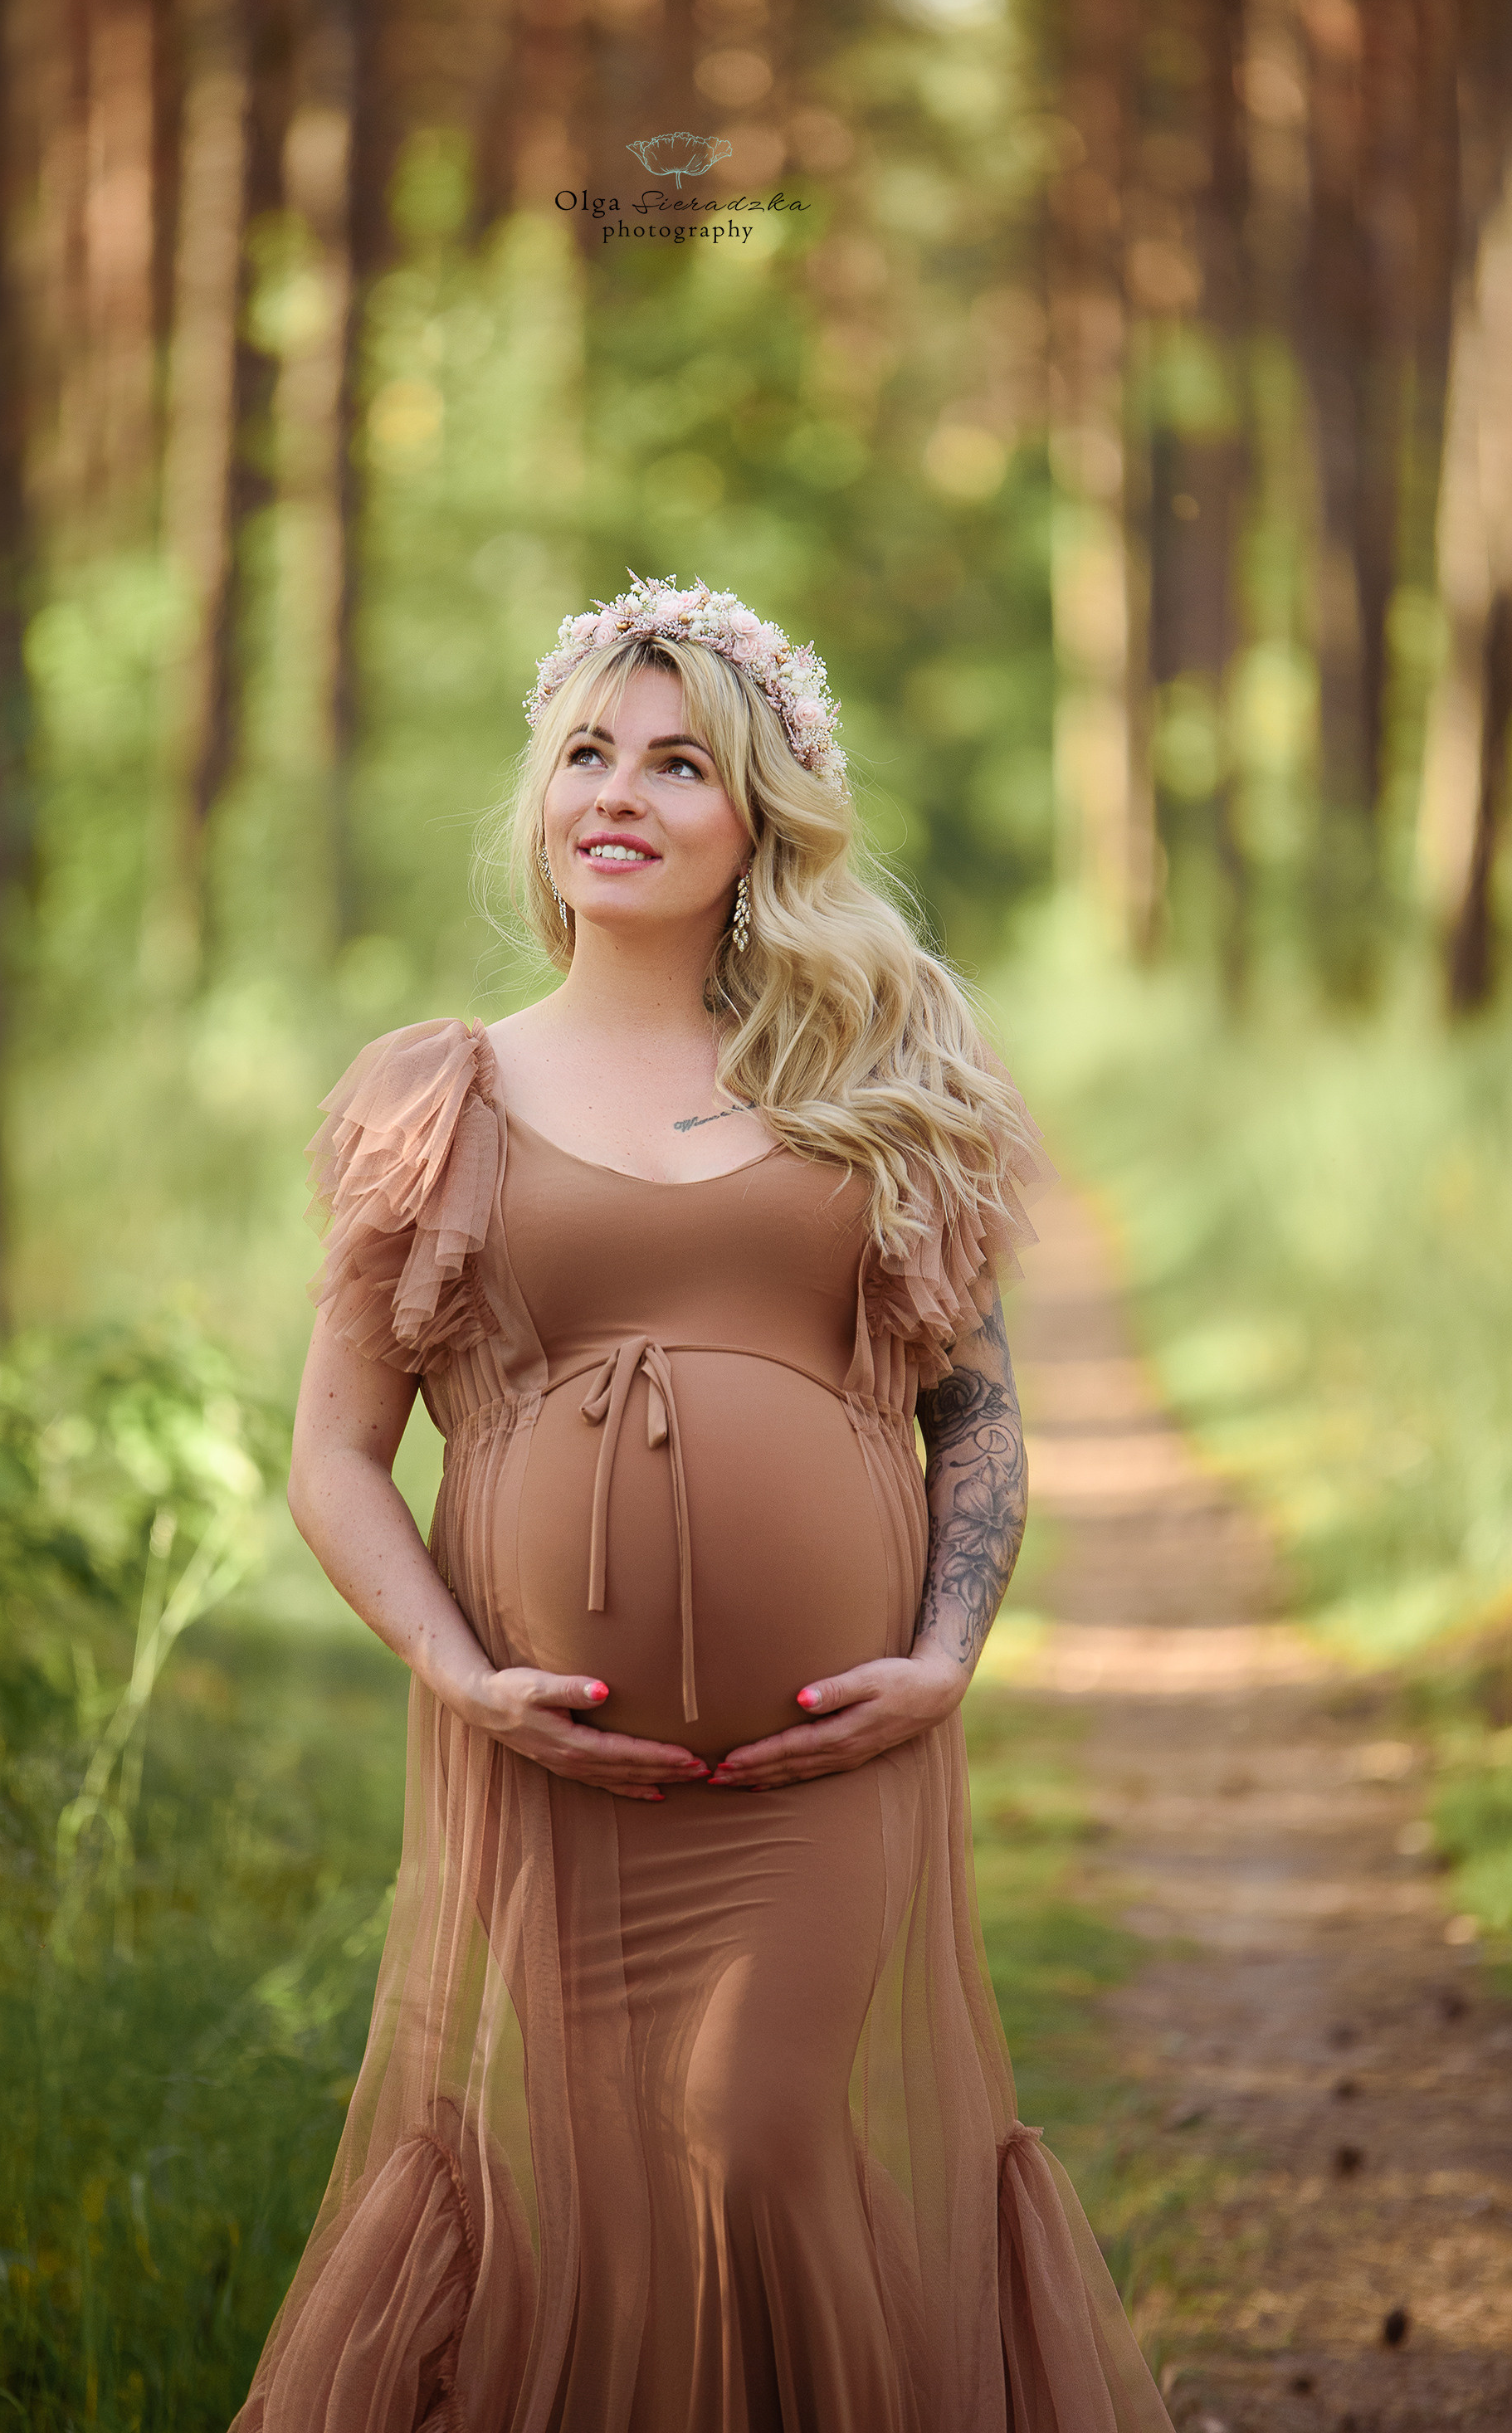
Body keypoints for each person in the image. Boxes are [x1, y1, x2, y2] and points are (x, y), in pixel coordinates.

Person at [232, 578, 1173, 2433]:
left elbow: (974, 1422)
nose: (619, 793)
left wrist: (946, 1656)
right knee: (584, 2205)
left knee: (746, 2146)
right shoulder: (452, 1094)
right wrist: (456, 1675)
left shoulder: (874, 1084)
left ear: (756, 820)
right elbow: (336, 1453)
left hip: (817, 1774)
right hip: (552, 1775)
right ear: (538, 794)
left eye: (677, 764)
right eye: (586, 751)